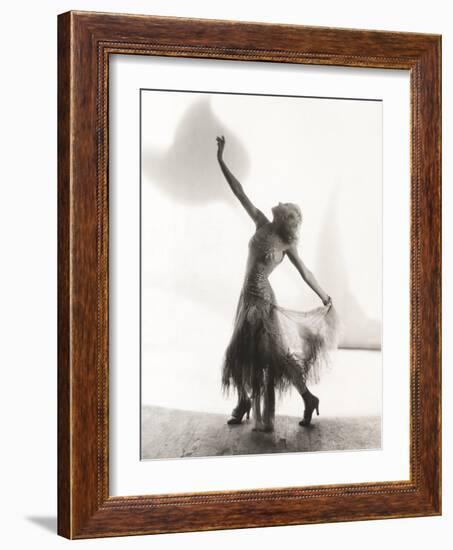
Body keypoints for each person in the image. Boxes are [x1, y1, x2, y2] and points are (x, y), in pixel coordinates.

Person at [216, 135, 339, 431]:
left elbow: (305, 272)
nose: (279, 202)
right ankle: (253, 400)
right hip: (247, 297)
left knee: (267, 356)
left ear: (285, 219)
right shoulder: (260, 221)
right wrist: (221, 159)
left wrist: (325, 296)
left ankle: (301, 397)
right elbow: (239, 192)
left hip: (263, 300)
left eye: (284, 206)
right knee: (243, 352)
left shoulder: (285, 244)